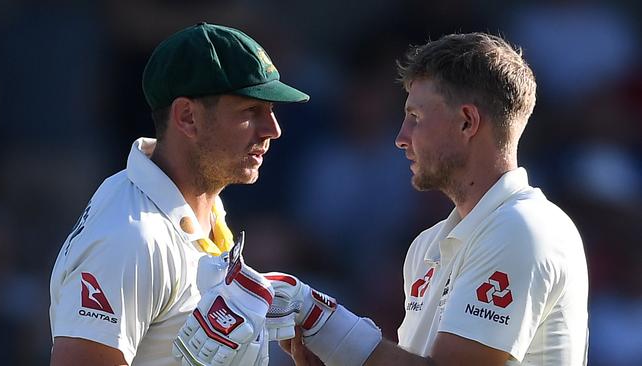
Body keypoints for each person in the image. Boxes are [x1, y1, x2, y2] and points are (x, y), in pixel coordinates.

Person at [263, 32, 589, 366]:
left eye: (415, 117)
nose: (400, 138)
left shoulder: (521, 228)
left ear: (467, 122)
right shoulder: (428, 244)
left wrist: (325, 322)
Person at [49, 22, 309, 366]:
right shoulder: (132, 239)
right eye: (251, 111)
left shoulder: (202, 203)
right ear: (187, 117)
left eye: (271, 111)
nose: (273, 130)